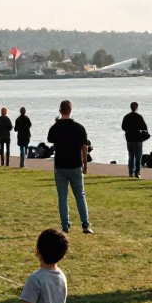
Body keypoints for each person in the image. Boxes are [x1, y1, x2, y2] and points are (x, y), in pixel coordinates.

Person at [47, 101, 93, 235]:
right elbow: (84, 146)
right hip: (75, 165)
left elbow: (50, 140)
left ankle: (65, 226)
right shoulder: (79, 128)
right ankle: (85, 224)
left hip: (60, 165)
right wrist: (85, 163)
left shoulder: (55, 128)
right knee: (80, 195)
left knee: (62, 197)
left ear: (60, 111)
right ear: (70, 110)